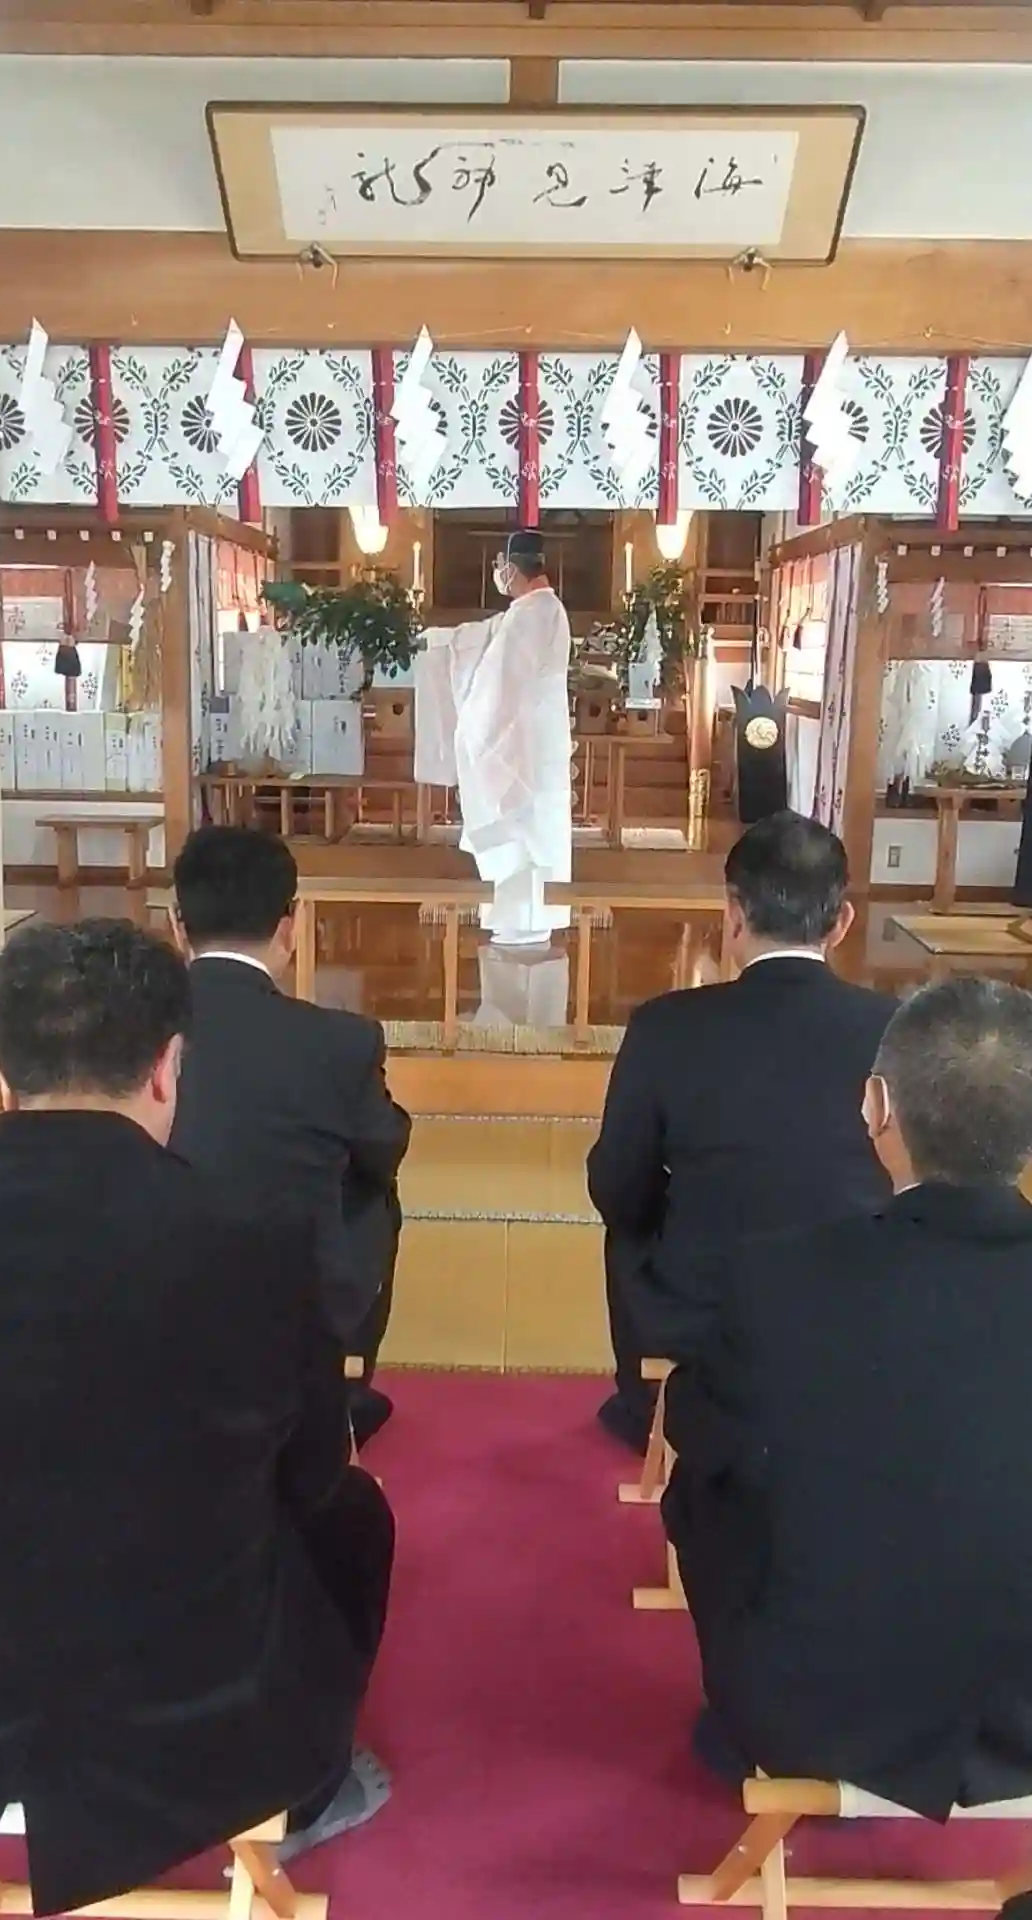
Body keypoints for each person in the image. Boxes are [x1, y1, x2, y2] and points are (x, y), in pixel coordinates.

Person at [0, 921, 395, 1916]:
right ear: (167, 1068)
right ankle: (310, 1784)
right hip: (175, 1709)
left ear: (2, 1073)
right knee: (354, 1517)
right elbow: (311, 1475)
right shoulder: (255, 1239)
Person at [665, 976, 1032, 1812]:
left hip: (818, 1715)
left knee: (708, 1484)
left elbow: (698, 1430)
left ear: (877, 1107)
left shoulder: (782, 1275)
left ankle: (762, 1714)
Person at [588, 810, 894, 1453]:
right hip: (859, 1302)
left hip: (708, 1310)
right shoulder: (895, 1027)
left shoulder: (666, 1025)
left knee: (629, 1227)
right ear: (841, 922)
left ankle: (646, 1404)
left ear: (732, 914)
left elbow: (617, 1184)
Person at [170, 825, 411, 1447]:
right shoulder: (338, 1041)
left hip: (156, 1288)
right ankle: (339, 1392)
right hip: (292, 1302)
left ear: (177, 925)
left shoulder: (129, 1033)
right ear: (291, 924)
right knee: (373, 1192)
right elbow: (384, 1146)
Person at [449, 525, 572, 947]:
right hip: (539, 740)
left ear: (512, 568)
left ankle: (523, 923)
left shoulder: (531, 612)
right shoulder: (542, 607)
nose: (498, 573)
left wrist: (474, 725)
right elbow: (493, 643)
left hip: (523, 745)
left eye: (501, 565)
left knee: (524, 836)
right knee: (535, 833)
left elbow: (498, 685)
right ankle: (527, 919)